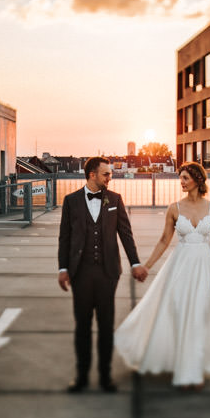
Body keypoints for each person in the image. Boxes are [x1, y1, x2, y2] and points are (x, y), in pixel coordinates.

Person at [115, 162, 210, 390]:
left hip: (204, 268)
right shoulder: (174, 208)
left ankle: (193, 373)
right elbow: (164, 240)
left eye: (186, 177)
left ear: (198, 179)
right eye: (181, 177)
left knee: (198, 318)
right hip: (179, 268)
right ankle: (182, 365)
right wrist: (146, 266)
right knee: (179, 315)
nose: (182, 181)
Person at [58, 157, 147, 393]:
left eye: (110, 174)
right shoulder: (71, 201)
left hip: (108, 273)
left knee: (106, 325)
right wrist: (63, 268)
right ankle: (82, 377)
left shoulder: (114, 200)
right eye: (106, 174)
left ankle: (106, 377)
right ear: (92, 175)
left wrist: (135, 262)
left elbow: (126, 235)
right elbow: (64, 238)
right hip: (80, 272)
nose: (110, 177)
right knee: (83, 325)